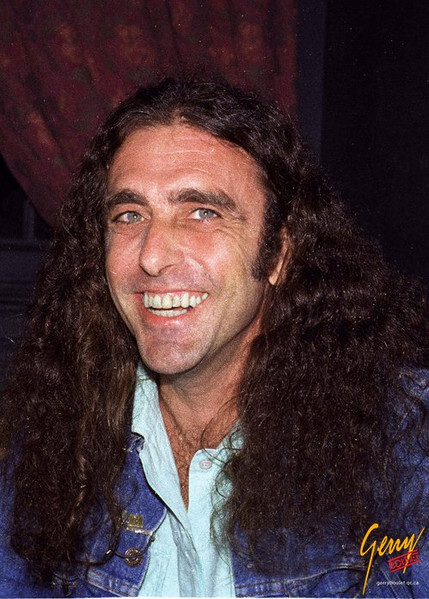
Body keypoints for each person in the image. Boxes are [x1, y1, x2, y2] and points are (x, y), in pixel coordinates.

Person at [0, 78, 428, 598]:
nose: (151, 256)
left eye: (202, 212)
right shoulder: (58, 437)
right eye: (129, 215)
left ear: (278, 254)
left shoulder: (403, 443)